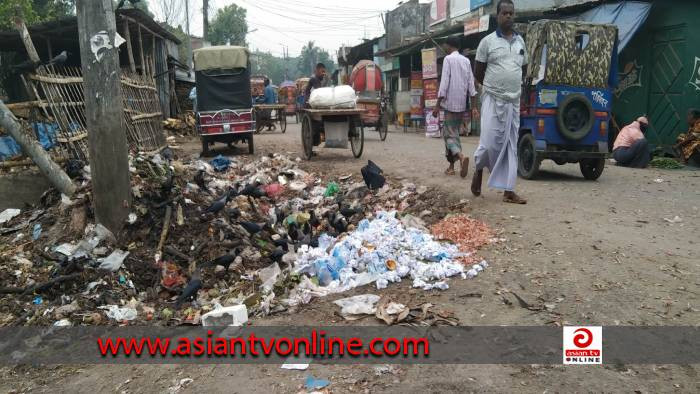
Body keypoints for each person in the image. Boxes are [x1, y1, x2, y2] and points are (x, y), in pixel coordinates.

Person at [471, 0, 528, 204]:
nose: (509, 17)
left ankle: (508, 191)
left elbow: (524, 69)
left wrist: (516, 89)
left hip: (513, 100)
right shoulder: (487, 42)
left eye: (512, 13)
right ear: (498, 16)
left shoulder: (521, 42)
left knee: (511, 145)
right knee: (488, 143)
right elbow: (478, 71)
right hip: (493, 98)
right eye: (505, 13)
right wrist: (494, 86)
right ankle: (478, 169)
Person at [433, 36, 479, 178]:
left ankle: (460, 156)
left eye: (445, 45)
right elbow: (472, 85)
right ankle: (451, 166)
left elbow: (444, 82)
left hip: (449, 105)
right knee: (454, 134)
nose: (444, 47)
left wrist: (437, 104)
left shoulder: (448, 60)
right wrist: (474, 106)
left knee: (448, 135)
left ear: (448, 45)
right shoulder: (466, 61)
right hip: (461, 105)